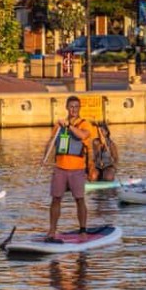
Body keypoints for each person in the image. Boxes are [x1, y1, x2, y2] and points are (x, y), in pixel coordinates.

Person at [46, 96, 91, 243]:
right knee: (56, 198)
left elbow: (83, 135)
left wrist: (69, 126)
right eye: (71, 107)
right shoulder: (58, 125)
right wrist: (44, 156)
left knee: (79, 199)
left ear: (79, 108)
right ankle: (52, 230)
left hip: (77, 168)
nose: (73, 110)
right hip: (60, 167)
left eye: (76, 107)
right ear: (67, 107)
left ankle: (83, 229)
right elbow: (51, 142)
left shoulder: (84, 124)